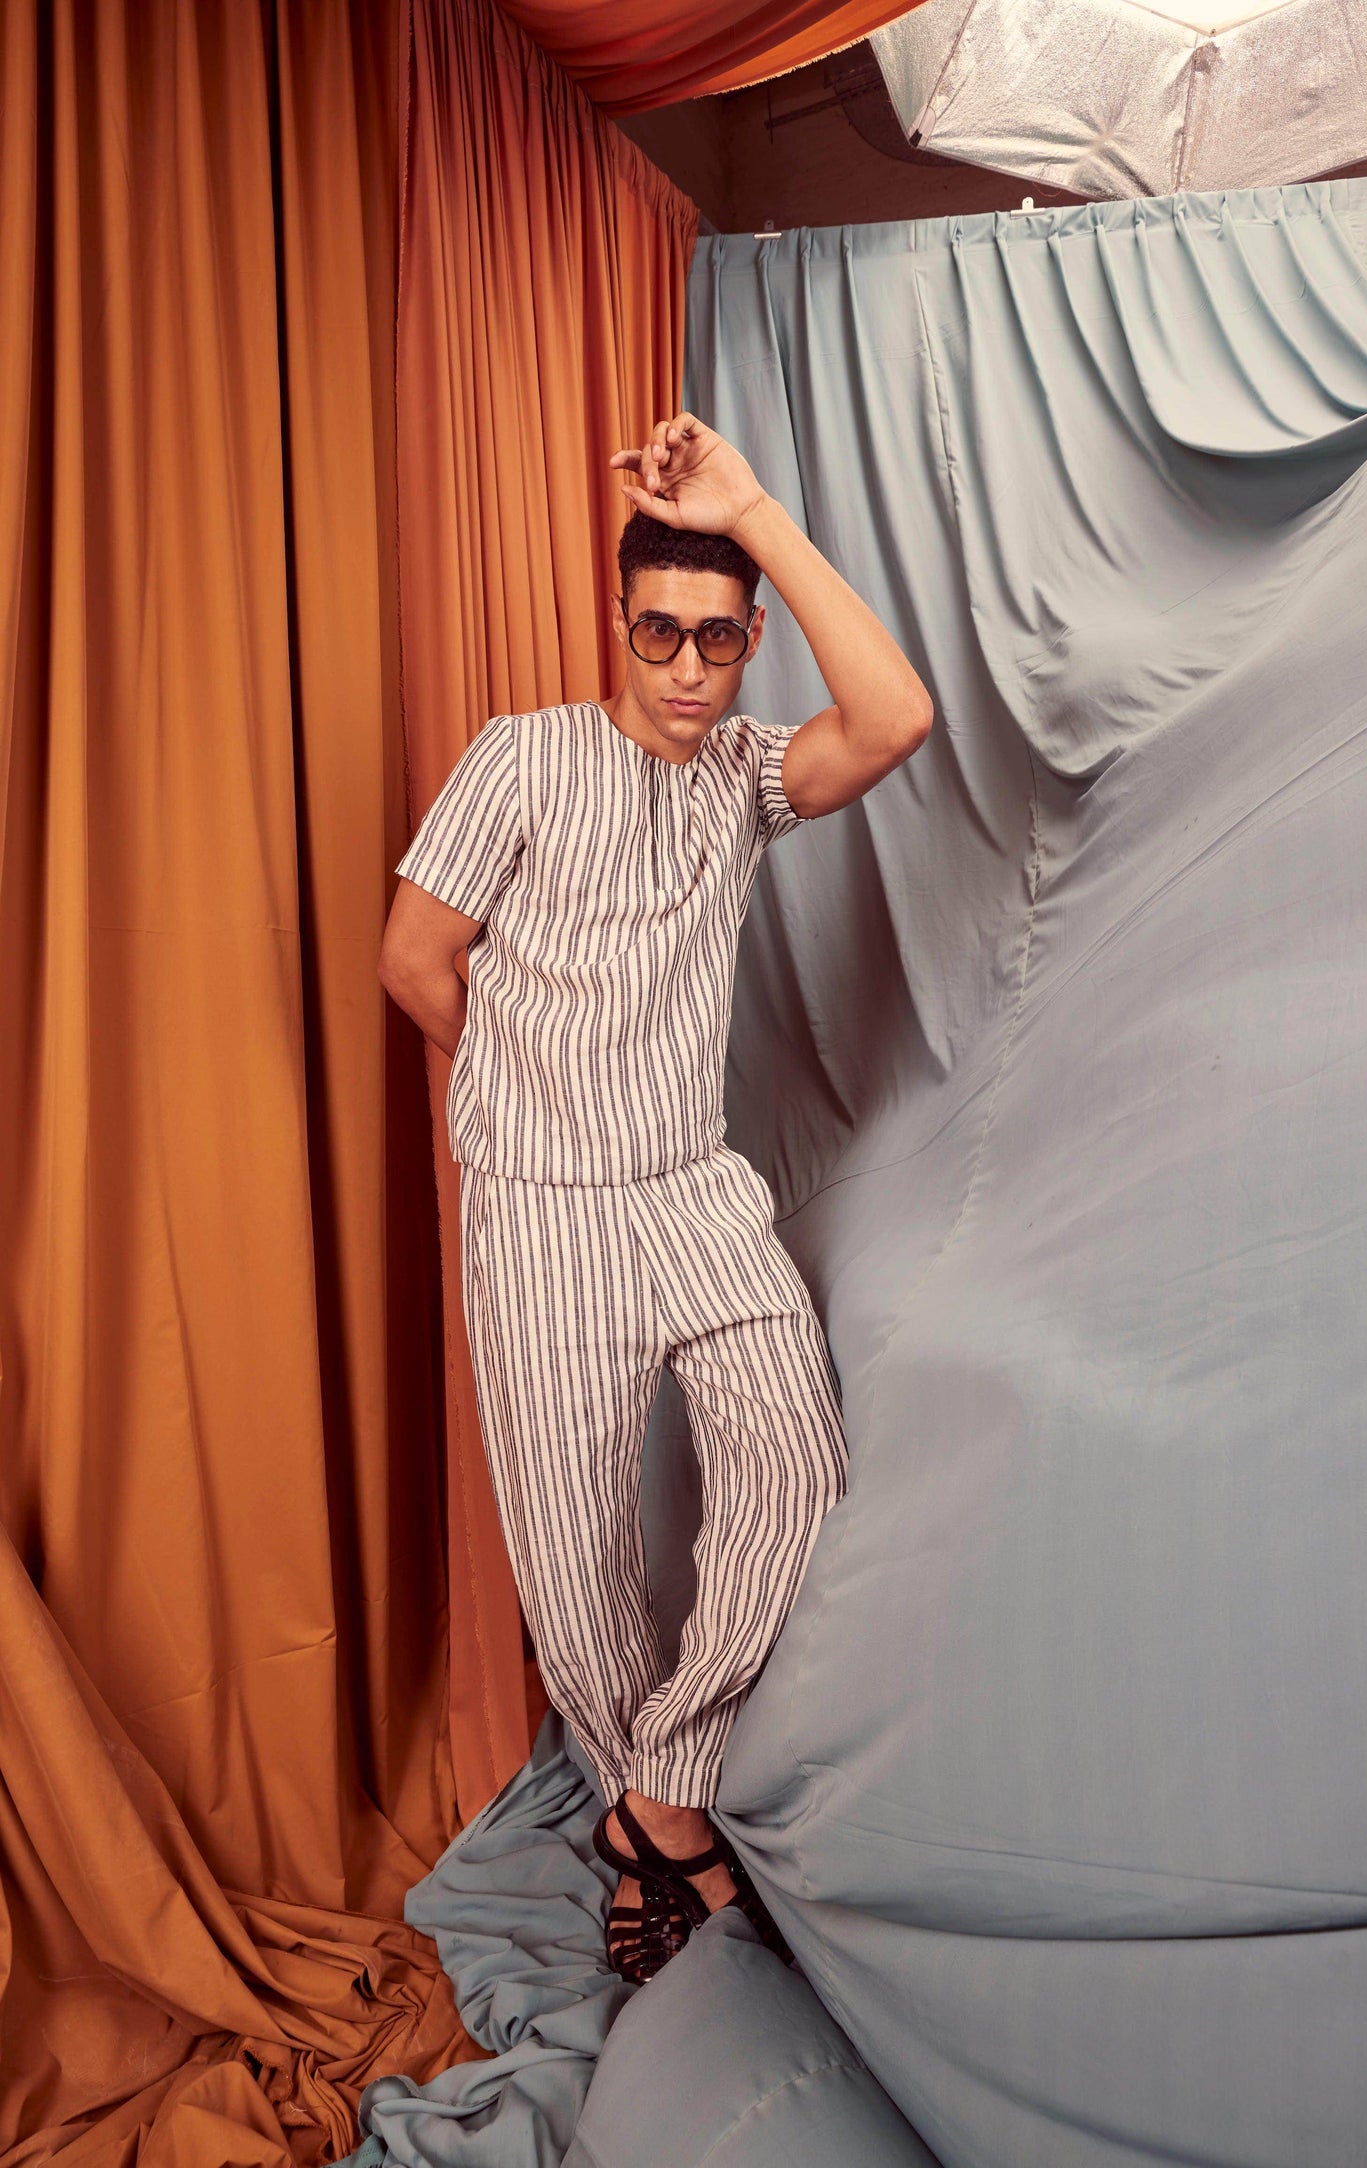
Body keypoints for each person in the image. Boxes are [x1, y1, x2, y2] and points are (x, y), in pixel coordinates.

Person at [378, 412, 933, 1983]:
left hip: (695, 1190)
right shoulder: (522, 757)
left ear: (748, 640)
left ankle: (662, 1789)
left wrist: (751, 513)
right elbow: (415, 961)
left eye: (716, 637)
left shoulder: (748, 777)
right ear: (616, 626)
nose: (686, 668)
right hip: (545, 1206)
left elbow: (895, 715)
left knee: (796, 1465)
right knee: (575, 1566)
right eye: (657, 633)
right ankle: (653, 1822)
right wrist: (541, 1095)